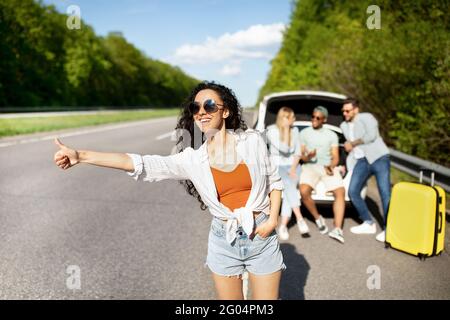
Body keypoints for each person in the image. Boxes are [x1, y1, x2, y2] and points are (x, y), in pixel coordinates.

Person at [53, 81, 285, 300]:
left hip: (261, 237)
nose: (201, 112)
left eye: (210, 105)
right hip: (225, 240)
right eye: (196, 107)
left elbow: (274, 182)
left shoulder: (252, 141)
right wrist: (81, 156)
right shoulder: (193, 159)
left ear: (226, 112)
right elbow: (140, 163)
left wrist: (272, 220)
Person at [290, 106, 346, 243]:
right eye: (313, 117)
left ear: (324, 120)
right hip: (310, 167)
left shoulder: (331, 135)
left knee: (340, 191)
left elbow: (335, 157)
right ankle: (317, 218)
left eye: (318, 118)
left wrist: (331, 166)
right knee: (303, 191)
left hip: (327, 166)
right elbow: (301, 157)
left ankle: (337, 229)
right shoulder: (304, 134)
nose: (314, 120)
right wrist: (308, 156)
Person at [340, 98, 390, 242]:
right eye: (343, 111)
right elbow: (350, 148)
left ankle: (389, 229)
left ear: (356, 109)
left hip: (378, 158)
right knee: (353, 191)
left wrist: (352, 143)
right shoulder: (343, 125)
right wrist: (346, 162)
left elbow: (371, 136)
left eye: (347, 110)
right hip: (361, 161)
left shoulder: (366, 117)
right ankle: (368, 222)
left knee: (385, 193)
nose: (345, 113)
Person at [266, 107, 309, 241]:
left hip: (293, 165)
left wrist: (293, 168)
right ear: (284, 118)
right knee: (291, 188)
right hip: (277, 166)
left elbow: (297, 152)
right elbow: (284, 149)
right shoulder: (272, 130)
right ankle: (300, 218)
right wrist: (285, 130)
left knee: (289, 190)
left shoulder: (295, 130)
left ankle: (283, 226)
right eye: (292, 118)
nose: (294, 120)